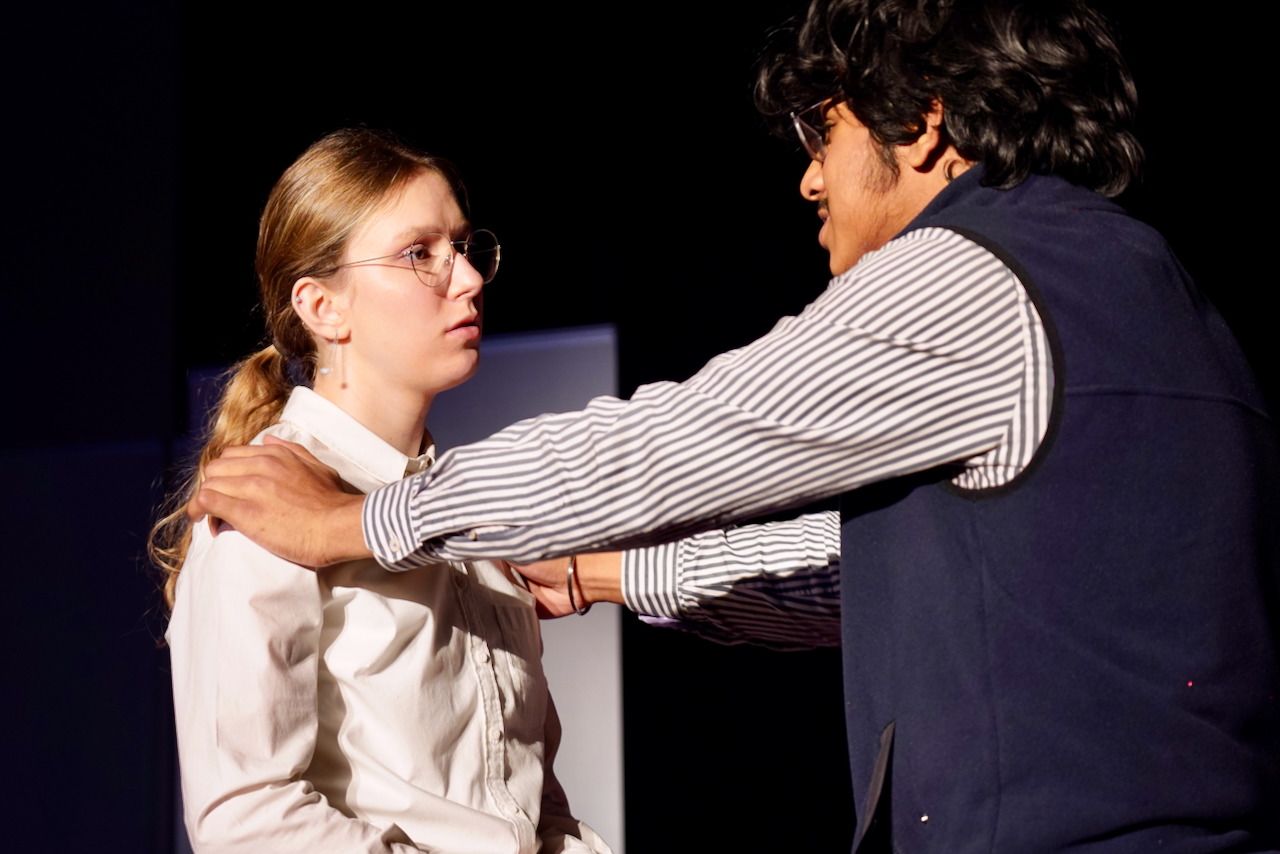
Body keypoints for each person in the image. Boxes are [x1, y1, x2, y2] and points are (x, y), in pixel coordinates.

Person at [188, 1, 1280, 850]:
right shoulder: (1154, 288)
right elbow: (882, 576)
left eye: (823, 131)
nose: (808, 178)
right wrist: (611, 574)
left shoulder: (964, 282)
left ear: (921, 120)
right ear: (317, 304)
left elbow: (673, 444)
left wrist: (362, 521)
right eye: (419, 254)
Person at [151, 128, 611, 853]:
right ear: (322, 307)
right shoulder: (267, 506)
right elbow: (248, 822)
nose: (469, 278)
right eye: (418, 254)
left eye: (463, 247)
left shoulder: (467, 516)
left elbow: (526, 808)